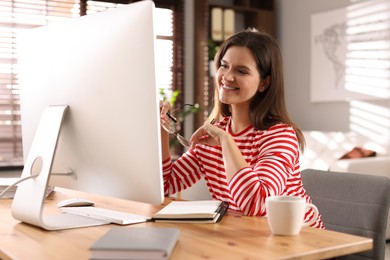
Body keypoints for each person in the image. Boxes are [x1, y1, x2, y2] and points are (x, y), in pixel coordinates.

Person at [160, 28, 324, 229]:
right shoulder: (216, 132)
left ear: (264, 83)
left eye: (241, 71)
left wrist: (227, 141)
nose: (227, 77)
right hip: (248, 238)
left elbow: (256, 204)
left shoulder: (279, 135)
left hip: (303, 241)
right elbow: (166, 185)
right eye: (224, 66)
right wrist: (160, 129)